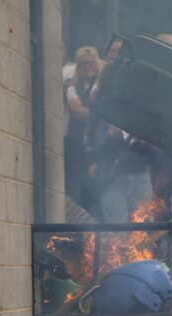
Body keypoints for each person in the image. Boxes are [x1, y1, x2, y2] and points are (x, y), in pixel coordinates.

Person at [65, 46, 102, 214]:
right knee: (76, 190)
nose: (87, 67)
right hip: (77, 148)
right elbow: (78, 112)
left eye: (91, 63)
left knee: (98, 193)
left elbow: (102, 116)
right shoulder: (72, 86)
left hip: (100, 148)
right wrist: (94, 113)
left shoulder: (104, 85)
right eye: (83, 63)